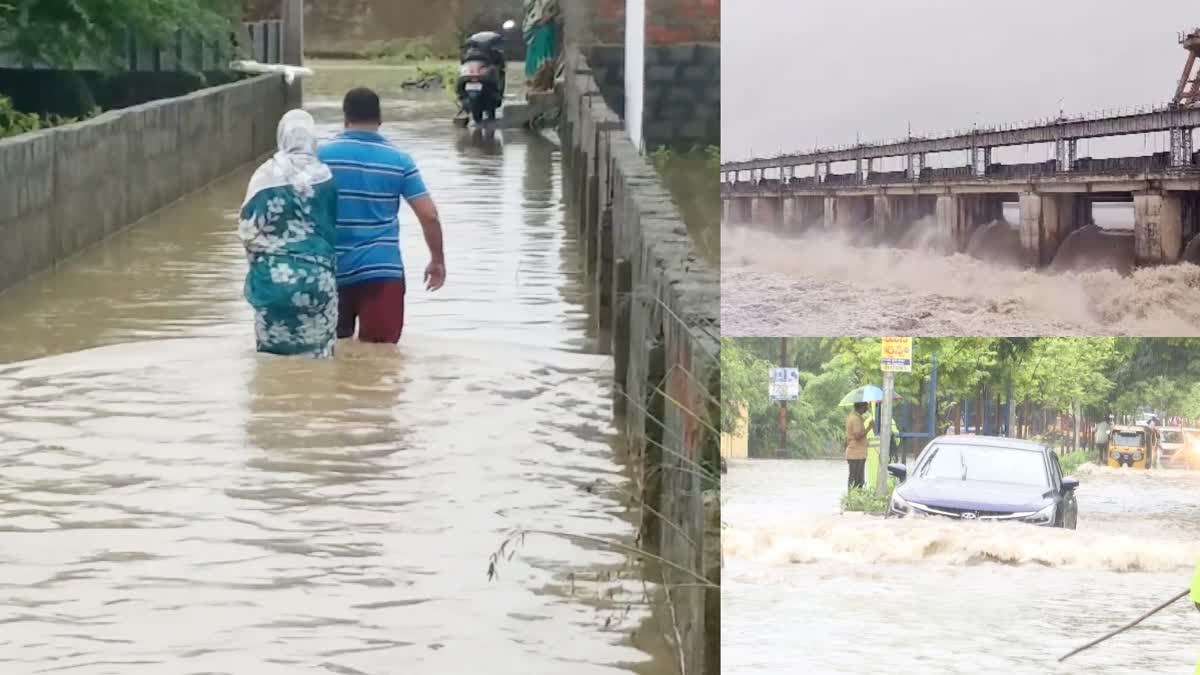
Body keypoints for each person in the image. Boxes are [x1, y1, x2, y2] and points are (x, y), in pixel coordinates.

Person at [317, 88, 446, 344]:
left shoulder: (320, 157)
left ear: (345, 118)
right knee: (381, 363)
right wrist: (437, 260)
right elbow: (429, 215)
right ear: (380, 119)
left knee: (327, 357)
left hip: (328, 271)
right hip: (382, 271)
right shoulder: (399, 160)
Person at [238, 109, 339, 358]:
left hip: (272, 279)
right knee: (320, 359)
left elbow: (247, 230)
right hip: (318, 280)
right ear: (312, 138)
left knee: (270, 362)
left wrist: (260, 270)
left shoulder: (264, 175)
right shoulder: (325, 176)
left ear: (282, 136)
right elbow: (330, 230)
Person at [523, 0, 561, 90]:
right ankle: (532, 78)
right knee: (533, 51)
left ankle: (544, 79)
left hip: (546, 27)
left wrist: (545, 19)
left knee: (544, 52)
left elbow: (555, 10)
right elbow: (527, 11)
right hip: (533, 26)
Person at [846, 402, 868, 489]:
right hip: (856, 454)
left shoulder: (855, 417)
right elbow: (857, 435)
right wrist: (869, 427)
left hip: (857, 453)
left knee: (856, 478)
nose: (867, 408)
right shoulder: (855, 419)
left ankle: (853, 498)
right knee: (857, 479)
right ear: (861, 407)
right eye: (865, 406)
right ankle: (854, 498)